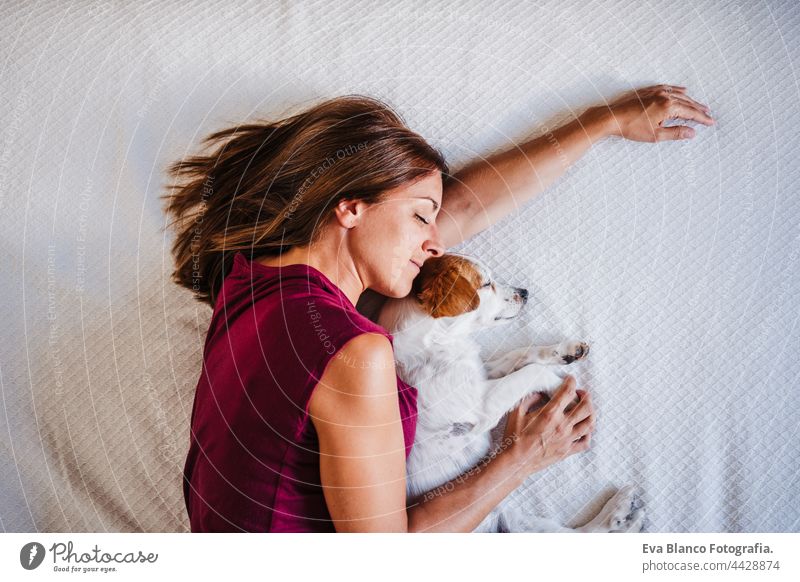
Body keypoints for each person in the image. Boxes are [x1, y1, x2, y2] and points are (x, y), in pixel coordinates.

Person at [164, 85, 713, 532]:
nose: (436, 242)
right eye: (421, 217)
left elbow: (467, 204)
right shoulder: (352, 354)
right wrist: (522, 456)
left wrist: (603, 121)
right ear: (351, 208)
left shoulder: (250, 280)